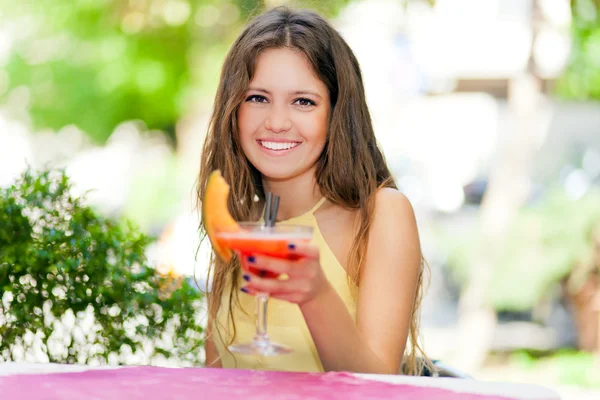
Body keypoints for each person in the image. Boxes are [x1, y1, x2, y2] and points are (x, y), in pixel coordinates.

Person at [197, 5, 430, 375]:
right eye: (257, 98)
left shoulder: (383, 213)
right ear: (233, 110)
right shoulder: (239, 223)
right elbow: (217, 376)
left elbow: (378, 386)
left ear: (336, 113)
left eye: (303, 101)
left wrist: (316, 293)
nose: (276, 122)